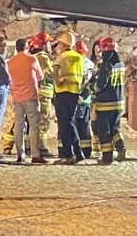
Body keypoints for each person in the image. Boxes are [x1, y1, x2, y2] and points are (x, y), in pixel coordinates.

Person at [6, 38, 47, 164]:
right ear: (27, 47)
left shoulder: (10, 62)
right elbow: (40, 76)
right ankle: (35, 154)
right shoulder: (32, 59)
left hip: (17, 97)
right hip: (31, 96)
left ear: (16, 48)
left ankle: (20, 154)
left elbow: (9, 79)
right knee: (34, 126)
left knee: (18, 125)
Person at [90, 37, 127, 165]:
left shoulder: (106, 65)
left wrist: (92, 86)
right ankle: (121, 146)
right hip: (119, 104)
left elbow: (101, 85)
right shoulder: (120, 64)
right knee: (115, 128)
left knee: (104, 131)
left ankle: (107, 158)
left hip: (105, 104)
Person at [51, 31, 86, 165]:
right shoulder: (79, 57)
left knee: (64, 125)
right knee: (70, 122)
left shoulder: (62, 57)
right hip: (74, 93)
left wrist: (58, 82)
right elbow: (83, 76)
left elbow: (55, 73)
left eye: (60, 43)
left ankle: (68, 154)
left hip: (63, 92)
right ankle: (78, 152)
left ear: (64, 44)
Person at [30, 32, 56, 157]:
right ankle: (42, 147)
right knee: (43, 120)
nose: (50, 46)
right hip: (44, 93)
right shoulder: (43, 58)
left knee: (32, 121)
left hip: (34, 93)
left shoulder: (31, 57)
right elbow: (51, 74)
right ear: (44, 45)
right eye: (49, 43)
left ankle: (30, 146)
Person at [75, 38, 95, 159]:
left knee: (76, 124)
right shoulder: (89, 64)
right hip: (85, 98)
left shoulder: (75, 62)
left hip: (75, 97)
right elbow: (90, 82)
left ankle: (78, 149)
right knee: (84, 124)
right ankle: (86, 150)